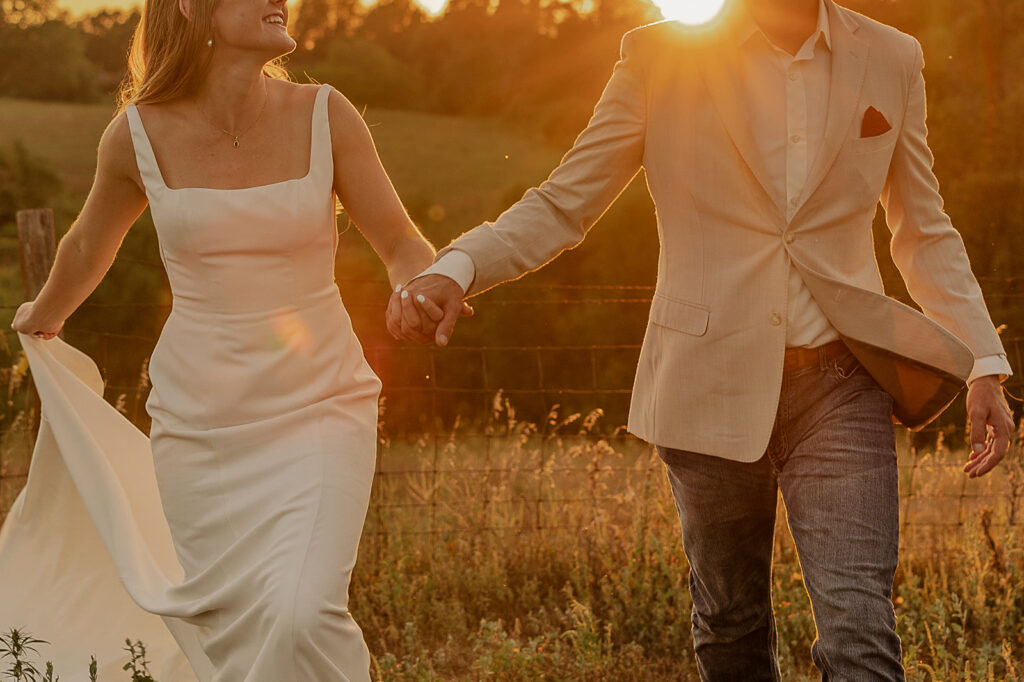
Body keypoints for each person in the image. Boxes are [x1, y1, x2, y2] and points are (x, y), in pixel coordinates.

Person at [388, 0, 1015, 678]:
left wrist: (982, 361)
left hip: (842, 384)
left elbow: (923, 229)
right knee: (730, 622)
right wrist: (458, 267)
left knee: (861, 633)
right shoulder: (661, 58)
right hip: (706, 377)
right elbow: (565, 201)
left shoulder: (892, 57)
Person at [1, 0, 458, 677]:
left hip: (321, 404)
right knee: (233, 625)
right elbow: (86, 245)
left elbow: (398, 238)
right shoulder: (135, 136)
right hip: (199, 427)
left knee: (303, 611)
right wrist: (42, 315)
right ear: (191, 7)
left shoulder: (327, 113)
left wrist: (419, 283)